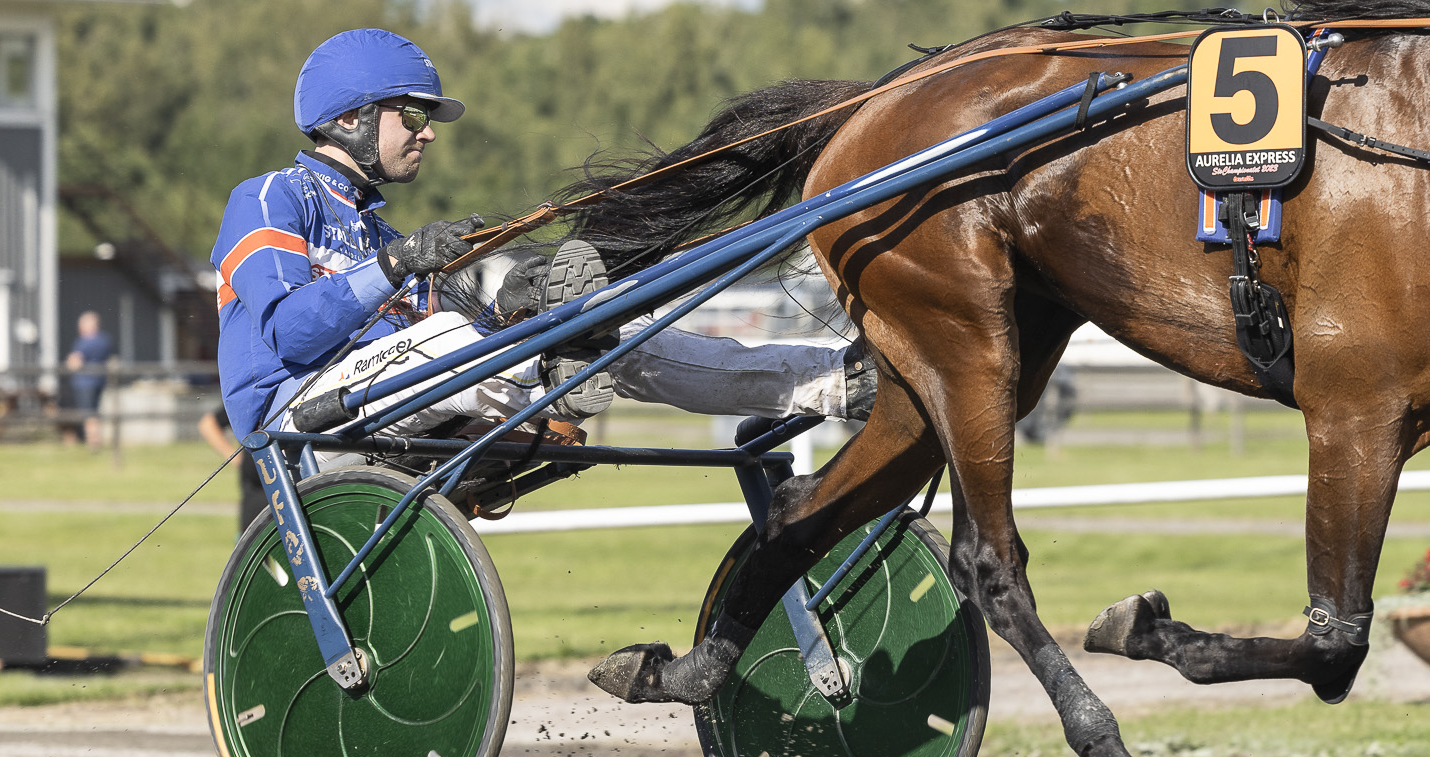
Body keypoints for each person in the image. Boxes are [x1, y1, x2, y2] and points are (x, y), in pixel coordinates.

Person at [212, 28, 872, 469]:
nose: (428, 133)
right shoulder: (272, 198)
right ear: (349, 117)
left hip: (388, 406)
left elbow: (423, 349)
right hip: (298, 422)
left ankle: (836, 380)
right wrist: (398, 265)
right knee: (450, 334)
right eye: (412, 115)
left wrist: (509, 309)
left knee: (613, 330)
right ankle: (554, 371)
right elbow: (288, 337)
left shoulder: (380, 231)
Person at [63, 310, 113, 449]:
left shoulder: (83, 342)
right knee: (95, 411)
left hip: (84, 383)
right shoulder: (105, 340)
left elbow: (74, 363)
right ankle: (97, 440)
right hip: (100, 381)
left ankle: (93, 443)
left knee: (88, 413)